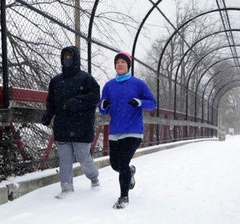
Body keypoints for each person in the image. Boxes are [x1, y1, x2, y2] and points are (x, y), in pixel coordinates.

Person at [98, 51, 157, 209]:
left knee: (123, 162)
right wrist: (103, 106)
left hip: (133, 130)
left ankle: (124, 197)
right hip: (115, 130)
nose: (120, 64)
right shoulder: (109, 86)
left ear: (128, 65)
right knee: (115, 165)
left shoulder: (138, 84)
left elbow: (153, 103)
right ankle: (130, 172)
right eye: (117, 62)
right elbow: (103, 107)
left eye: (123, 62)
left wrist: (139, 102)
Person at [42, 46, 101, 199]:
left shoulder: (86, 79)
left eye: (70, 57)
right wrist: (48, 115)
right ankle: (66, 188)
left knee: (83, 158)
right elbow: (51, 102)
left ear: (76, 59)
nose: (67, 60)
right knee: (65, 159)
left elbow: (95, 96)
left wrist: (77, 102)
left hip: (81, 126)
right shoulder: (56, 81)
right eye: (65, 57)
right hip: (62, 126)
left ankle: (94, 178)